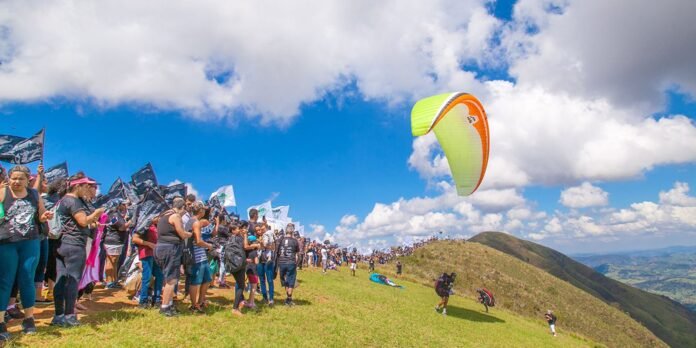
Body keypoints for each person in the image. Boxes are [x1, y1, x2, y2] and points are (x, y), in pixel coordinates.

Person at [0, 165, 54, 339]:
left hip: (30, 242)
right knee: (5, 281)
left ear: (27, 179)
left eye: (21, 178)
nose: (17, 181)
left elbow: (40, 214)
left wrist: (45, 216)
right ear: (9, 178)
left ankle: (29, 319)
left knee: (27, 279)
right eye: (14, 178)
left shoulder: (34, 194)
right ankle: (1, 322)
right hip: (6, 242)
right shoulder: (2, 192)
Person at [52, 174, 105, 327]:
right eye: (86, 186)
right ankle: (69, 316)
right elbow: (82, 221)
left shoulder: (62, 200)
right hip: (74, 244)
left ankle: (58, 315)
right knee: (73, 280)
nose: (88, 189)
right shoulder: (73, 201)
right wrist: (96, 214)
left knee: (61, 280)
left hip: (61, 244)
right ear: (77, 186)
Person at [154, 197, 192, 317]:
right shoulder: (175, 216)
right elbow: (181, 233)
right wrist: (191, 234)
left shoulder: (163, 215)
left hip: (160, 247)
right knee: (171, 280)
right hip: (170, 248)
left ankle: (169, 304)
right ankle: (165, 307)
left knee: (168, 278)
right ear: (182, 207)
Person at [187, 202, 213, 313]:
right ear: (200, 211)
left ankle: (201, 301)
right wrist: (208, 246)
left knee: (207, 279)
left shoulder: (189, 221)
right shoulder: (195, 222)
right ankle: (194, 305)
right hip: (196, 256)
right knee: (195, 281)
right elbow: (198, 241)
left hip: (201, 256)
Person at [132, 216, 163, 309]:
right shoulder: (144, 225)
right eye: (158, 216)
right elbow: (135, 239)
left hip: (156, 254)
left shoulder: (157, 225)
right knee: (147, 277)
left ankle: (156, 299)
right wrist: (148, 244)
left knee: (160, 276)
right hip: (146, 253)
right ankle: (143, 301)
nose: (159, 218)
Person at [103, 200, 130, 289]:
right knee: (111, 261)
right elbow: (121, 227)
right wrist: (130, 222)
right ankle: (109, 281)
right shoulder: (114, 216)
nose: (125, 206)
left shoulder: (116, 215)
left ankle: (113, 280)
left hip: (116, 241)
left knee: (114, 262)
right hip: (113, 241)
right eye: (123, 204)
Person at [275, 223, 300, 306]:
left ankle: (288, 297)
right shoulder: (295, 241)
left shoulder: (280, 240)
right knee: (291, 281)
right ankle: (289, 299)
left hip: (281, 262)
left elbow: (277, 252)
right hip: (290, 262)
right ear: (292, 231)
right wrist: (297, 263)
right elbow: (297, 253)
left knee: (285, 281)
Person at [257, 223, 275, 306]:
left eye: (263, 229)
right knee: (261, 280)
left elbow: (272, 246)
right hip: (260, 260)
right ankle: (264, 297)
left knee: (270, 280)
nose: (262, 230)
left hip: (268, 260)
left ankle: (271, 299)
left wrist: (263, 244)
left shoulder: (269, 235)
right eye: (261, 229)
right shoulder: (257, 237)